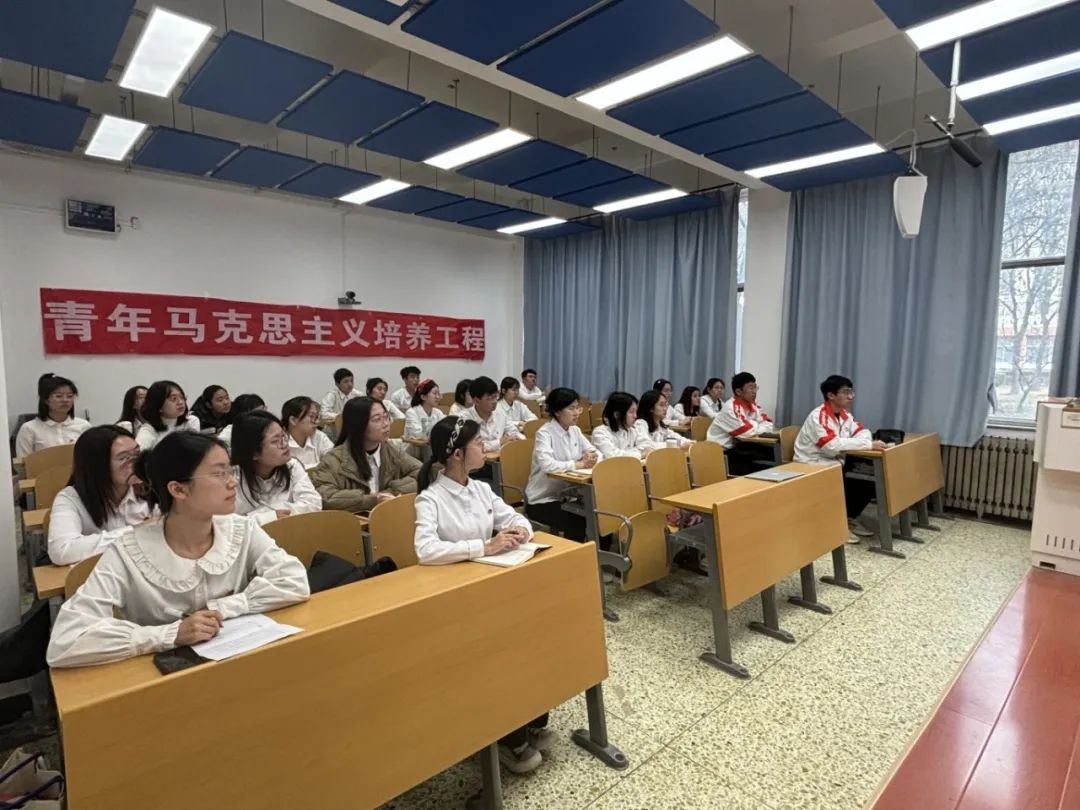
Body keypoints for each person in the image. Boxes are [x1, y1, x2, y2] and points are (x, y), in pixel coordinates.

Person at [46, 432, 310, 668]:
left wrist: (224, 607)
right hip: (161, 679)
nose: (232, 483)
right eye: (219, 474)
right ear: (178, 489)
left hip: (238, 662)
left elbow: (294, 580)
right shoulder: (128, 553)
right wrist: (169, 634)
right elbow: (66, 640)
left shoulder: (241, 528)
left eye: (231, 471)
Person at [412, 415, 550, 772]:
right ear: (457, 454)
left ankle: (531, 721)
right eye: (477, 442)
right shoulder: (430, 499)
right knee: (497, 657)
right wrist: (483, 547)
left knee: (530, 642)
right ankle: (504, 739)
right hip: (456, 598)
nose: (485, 446)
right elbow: (425, 550)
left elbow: (516, 518)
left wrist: (520, 532)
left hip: (492, 587)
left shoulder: (481, 489)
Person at [794, 375, 886, 542]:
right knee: (851, 480)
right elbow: (831, 446)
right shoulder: (818, 416)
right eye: (845, 392)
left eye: (851, 391)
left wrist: (860, 442)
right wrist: (866, 444)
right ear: (831, 395)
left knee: (870, 477)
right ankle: (836, 526)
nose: (850, 396)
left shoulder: (845, 415)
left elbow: (863, 432)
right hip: (813, 464)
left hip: (835, 461)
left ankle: (848, 518)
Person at [47, 425, 153, 565]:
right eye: (124, 458)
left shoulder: (151, 487)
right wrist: (136, 531)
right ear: (98, 465)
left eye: (137, 454)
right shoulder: (70, 498)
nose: (136, 464)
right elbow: (61, 551)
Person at [310, 397, 421, 513]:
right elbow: (324, 496)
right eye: (377, 419)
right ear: (358, 425)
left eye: (386, 417)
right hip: (354, 521)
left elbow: (422, 474)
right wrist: (372, 500)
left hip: (388, 515)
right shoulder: (334, 459)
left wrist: (391, 491)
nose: (386, 424)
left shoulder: (391, 450)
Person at [524, 388, 600, 540]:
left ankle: (598, 552)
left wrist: (592, 456)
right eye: (571, 408)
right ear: (557, 411)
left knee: (599, 514)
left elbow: (594, 451)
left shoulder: (575, 430)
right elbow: (548, 466)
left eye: (578, 408)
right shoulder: (544, 433)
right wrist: (579, 464)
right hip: (543, 499)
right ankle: (575, 553)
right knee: (577, 521)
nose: (577, 413)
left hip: (569, 496)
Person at [231, 413, 322, 526]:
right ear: (254, 453)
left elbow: (313, 504)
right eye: (275, 441)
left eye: (283, 436)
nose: (285, 444)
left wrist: (275, 513)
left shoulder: (291, 466)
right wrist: (269, 517)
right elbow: (224, 523)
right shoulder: (231, 478)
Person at [707, 372, 777, 475]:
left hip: (739, 445)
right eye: (750, 388)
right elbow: (747, 432)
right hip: (722, 452)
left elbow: (769, 423)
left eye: (755, 387)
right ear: (738, 391)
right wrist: (755, 424)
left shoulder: (752, 404)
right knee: (762, 469)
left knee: (772, 453)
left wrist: (752, 424)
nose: (754, 391)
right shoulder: (730, 408)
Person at [15, 374, 92, 457]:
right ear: (45, 400)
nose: (65, 400)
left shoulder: (84, 426)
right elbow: (22, 462)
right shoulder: (29, 429)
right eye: (58, 396)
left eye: (69, 396)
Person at [134, 380, 200, 451]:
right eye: (174, 399)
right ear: (159, 405)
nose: (181, 402)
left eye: (182, 397)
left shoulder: (191, 421)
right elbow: (136, 456)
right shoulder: (148, 431)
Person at [465, 376, 524, 453]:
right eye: (490, 398)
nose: (495, 401)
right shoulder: (465, 419)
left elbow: (513, 431)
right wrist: (499, 442)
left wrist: (516, 438)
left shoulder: (500, 412)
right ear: (476, 401)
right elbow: (472, 447)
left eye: (496, 396)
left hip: (500, 457)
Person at [590, 392, 652, 459]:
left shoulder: (632, 429)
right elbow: (613, 456)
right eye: (631, 412)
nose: (635, 416)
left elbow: (647, 446)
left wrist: (630, 453)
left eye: (636, 412)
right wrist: (640, 454)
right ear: (617, 414)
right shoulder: (600, 433)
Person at [282, 396, 334, 469]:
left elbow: (334, 461)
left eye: (316, 417)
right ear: (293, 420)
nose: (317, 422)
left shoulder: (319, 436)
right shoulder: (280, 443)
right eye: (312, 416)